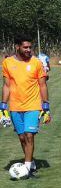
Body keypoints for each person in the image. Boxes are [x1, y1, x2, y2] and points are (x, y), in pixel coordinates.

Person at [0, 36, 50, 176]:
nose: (28, 50)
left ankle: (27, 169)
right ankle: (31, 161)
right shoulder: (7, 63)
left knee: (29, 135)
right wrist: (2, 106)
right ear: (17, 47)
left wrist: (46, 106)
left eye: (30, 47)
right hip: (15, 106)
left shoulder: (37, 63)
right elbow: (6, 85)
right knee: (22, 137)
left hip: (33, 105)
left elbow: (42, 85)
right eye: (25, 47)